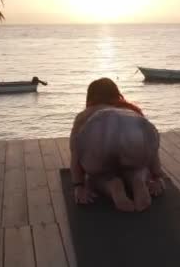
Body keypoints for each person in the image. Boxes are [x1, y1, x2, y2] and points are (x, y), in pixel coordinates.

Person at [70, 78, 165, 212]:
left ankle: (112, 186)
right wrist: (157, 176)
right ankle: (138, 179)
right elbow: (150, 143)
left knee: (95, 177)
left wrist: (78, 185)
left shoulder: (85, 115)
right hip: (133, 149)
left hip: (101, 153)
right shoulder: (132, 110)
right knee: (139, 169)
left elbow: (76, 151)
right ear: (116, 93)